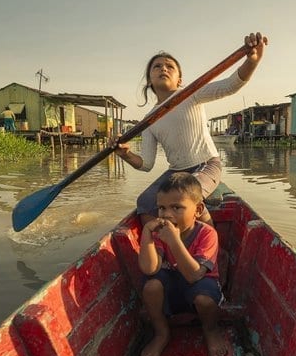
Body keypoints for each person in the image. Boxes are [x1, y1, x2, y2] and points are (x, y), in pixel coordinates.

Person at [114, 32, 267, 226]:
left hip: (206, 165)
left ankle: (210, 250)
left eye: (170, 66)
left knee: (184, 195)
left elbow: (230, 86)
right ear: (150, 80)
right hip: (176, 171)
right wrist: (125, 154)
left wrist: (252, 61)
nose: (163, 68)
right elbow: (146, 164)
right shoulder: (148, 120)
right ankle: (159, 248)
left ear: (179, 80)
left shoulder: (190, 94)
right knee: (144, 202)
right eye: (157, 66)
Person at [138, 172, 226, 356]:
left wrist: (174, 241)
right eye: (161, 208)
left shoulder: (207, 234)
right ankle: (161, 333)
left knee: (204, 300)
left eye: (176, 207)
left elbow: (195, 275)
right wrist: (147, 234)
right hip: (173, 288)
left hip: (199, 285)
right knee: (150, 286)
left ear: (198, 209)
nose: (167, 214)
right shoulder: (161, 233)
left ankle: (211, 330)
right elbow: (149, 268)